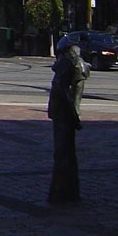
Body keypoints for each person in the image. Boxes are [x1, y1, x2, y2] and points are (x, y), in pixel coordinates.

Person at [47, 37, 91, 203]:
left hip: (59, 112)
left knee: (63, 152)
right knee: (64, 152)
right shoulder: (73, 66)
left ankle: (63, 190)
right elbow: (74, 97)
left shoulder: (63, 66)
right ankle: (64, 191)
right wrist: (75, 115)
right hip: (63, 113)